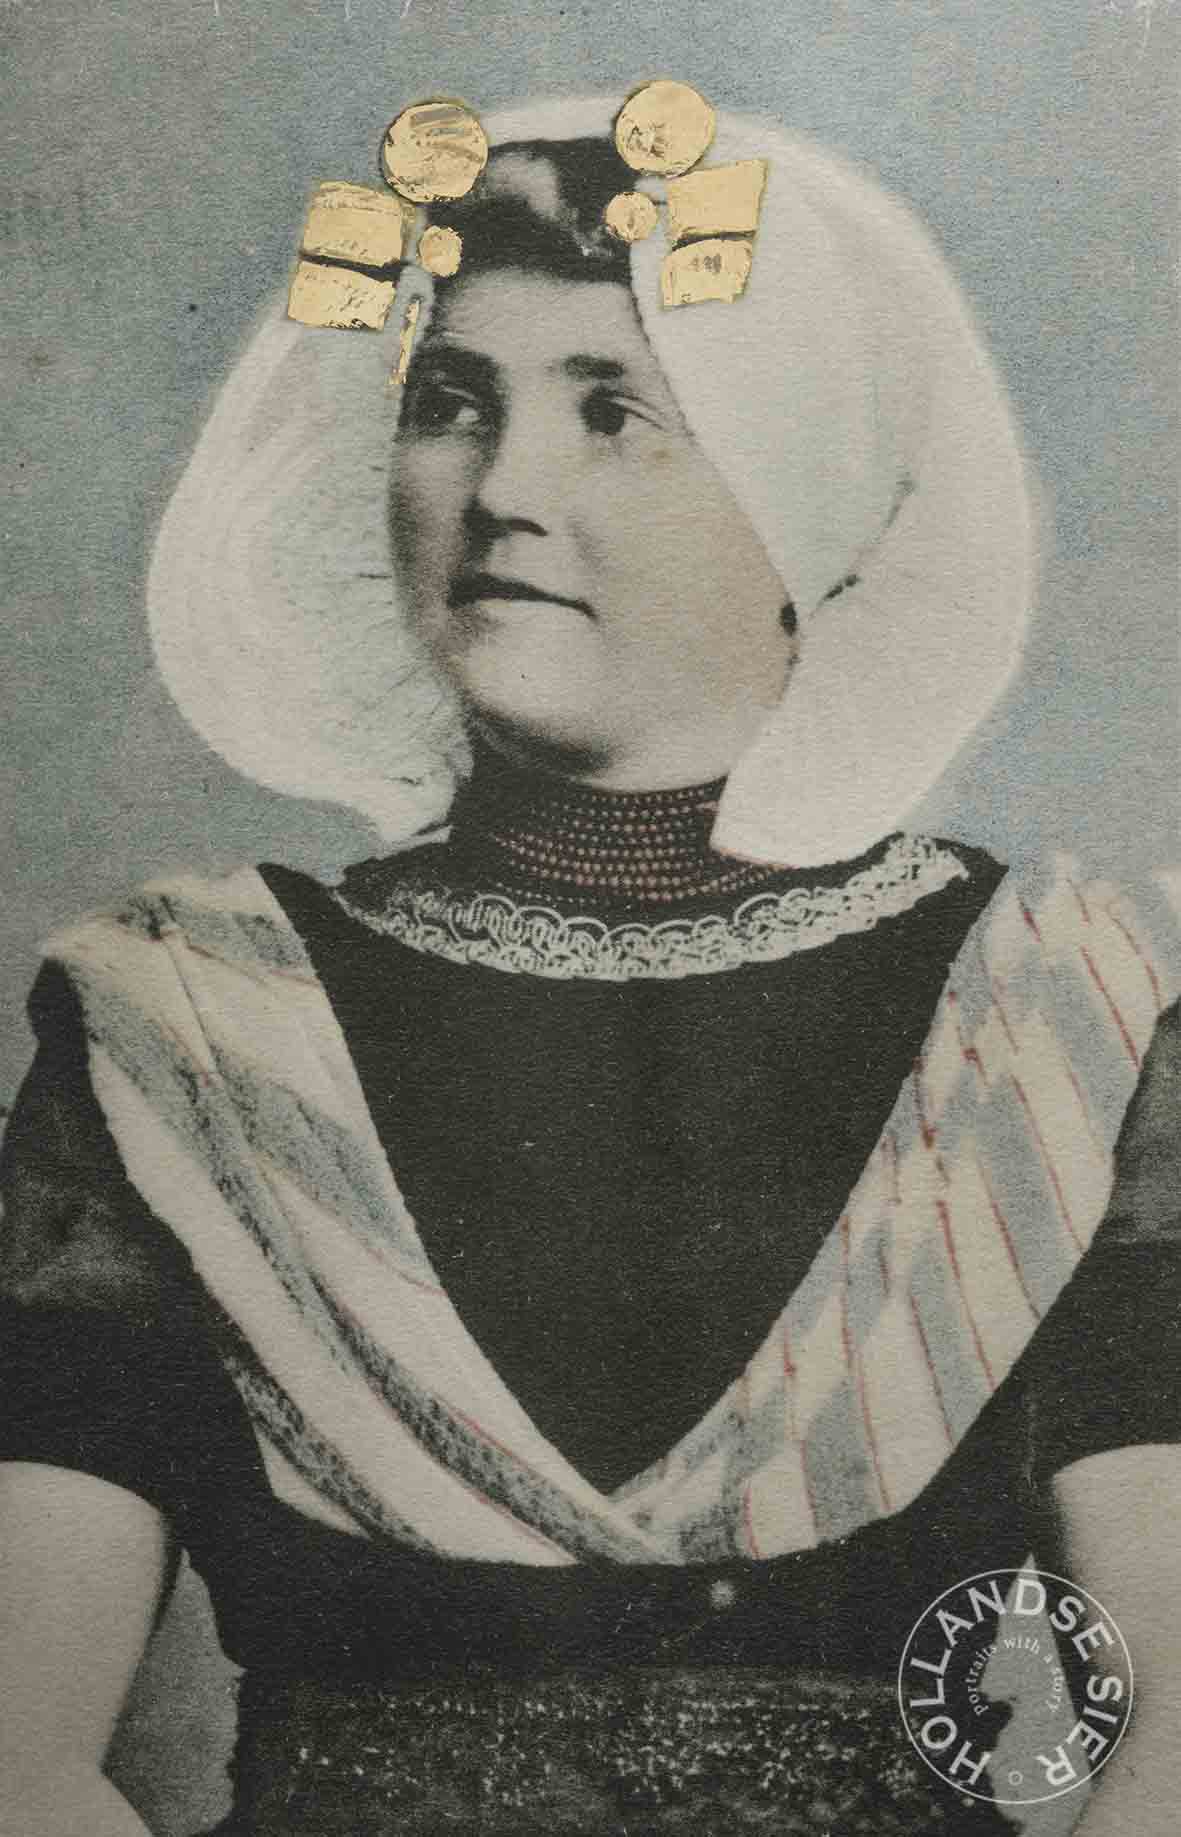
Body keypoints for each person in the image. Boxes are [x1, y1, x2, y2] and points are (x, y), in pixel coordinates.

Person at [1, 92, 1179, 1837]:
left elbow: (1166, 1733)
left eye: (614, 413)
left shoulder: (1055, 1013)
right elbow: (12, 1749)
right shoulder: (188, 1021)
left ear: (811, 500)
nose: (503, 491)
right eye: (448, 402)